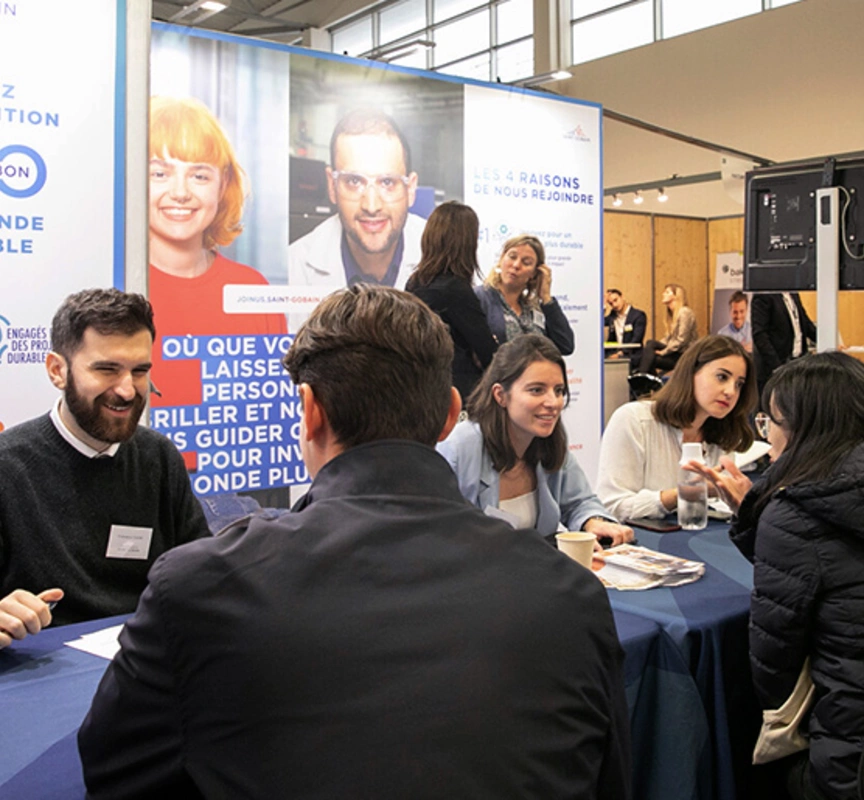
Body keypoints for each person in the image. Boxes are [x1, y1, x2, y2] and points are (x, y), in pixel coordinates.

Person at [78, 286, 631, 800]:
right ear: (447, 415)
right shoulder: (572, 594)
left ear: (310, 411)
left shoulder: (199, 589)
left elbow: (116, 774)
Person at [686, 352, 864, 800]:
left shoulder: (797, 505)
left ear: (805, 430)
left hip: (844, 742)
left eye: (772, 423)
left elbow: (774, 658)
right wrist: (757, 515)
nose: (768, 439)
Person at [0, 289, 209, 646]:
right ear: (57, 370)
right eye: (107, 370)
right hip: (38, 673)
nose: (127, 391)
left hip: (145, 662)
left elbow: (200, 575)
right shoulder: (8, 467)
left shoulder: (158, 457)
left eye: (140, 371)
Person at [148, 96, 287, 412]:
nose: (181, 193)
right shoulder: (111, 287)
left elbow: (270, 414)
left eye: (199, 176)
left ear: (223, 184)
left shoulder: (252, 289)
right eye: (160, 174)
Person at [439, 334, 632, 547]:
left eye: (558, 391)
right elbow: (438, 535)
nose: (553, 402)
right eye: (536, 390)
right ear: (500, 395)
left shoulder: (549, 443)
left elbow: (580, 502)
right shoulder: (458, 448)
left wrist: (592, 521)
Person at [596, 334, 757, 521]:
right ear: (691, 373)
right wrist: (685, 493)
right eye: (722, 377)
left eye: (739, 384)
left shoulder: (723, 435)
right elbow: (611, 506)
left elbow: (723, 509)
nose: (731, 392)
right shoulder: (633, 420)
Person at [288, 108, 426, 290]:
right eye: (354, 181)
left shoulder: (454, 261)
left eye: (387, 182)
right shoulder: (294, 269)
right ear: (332, 185)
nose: (371, 206)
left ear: (410, 189)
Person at [406, 201, 497, 399]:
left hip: (425, 389)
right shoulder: (456, 290)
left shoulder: (415, 283)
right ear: (466, 243)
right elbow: (489, 354)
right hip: (459, 393)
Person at [475, 235, 575, 355]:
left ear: (534, 273)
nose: (516, 265)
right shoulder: (479, 297)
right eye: (512, 257)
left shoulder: (532, 307)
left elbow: (565, 345)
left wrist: (546, 299)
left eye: (526, 262)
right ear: (501, 259)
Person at [751, 291, 816, 401]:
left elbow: (805, 324)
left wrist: (828, 340)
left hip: (798, 363)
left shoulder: (793, 293)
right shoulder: (763, 295)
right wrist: (777, 365)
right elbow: (760, 335)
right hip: (776, 366)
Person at [632, 283, 698, 375]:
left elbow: (682, 340)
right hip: (674, 352)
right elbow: (668, 339)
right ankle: (646, 378)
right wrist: (653, 351)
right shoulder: (672, 314)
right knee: (649, 350)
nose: (663, 294)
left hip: (683, 355)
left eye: (667, 292)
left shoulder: (684, 312)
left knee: (649, 357)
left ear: (675, 296)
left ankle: (642, 377)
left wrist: (664, 352)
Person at [605, 288, 647, 359]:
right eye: (611, 303)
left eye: (616, 300)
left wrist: (621, 353)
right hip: (613, 353)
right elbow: (599, 323)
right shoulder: (612, 316)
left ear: (622, 297)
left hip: (631, 354)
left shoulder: (638, 315)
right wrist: (603, 304)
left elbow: (636, 340)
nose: (614, 305)